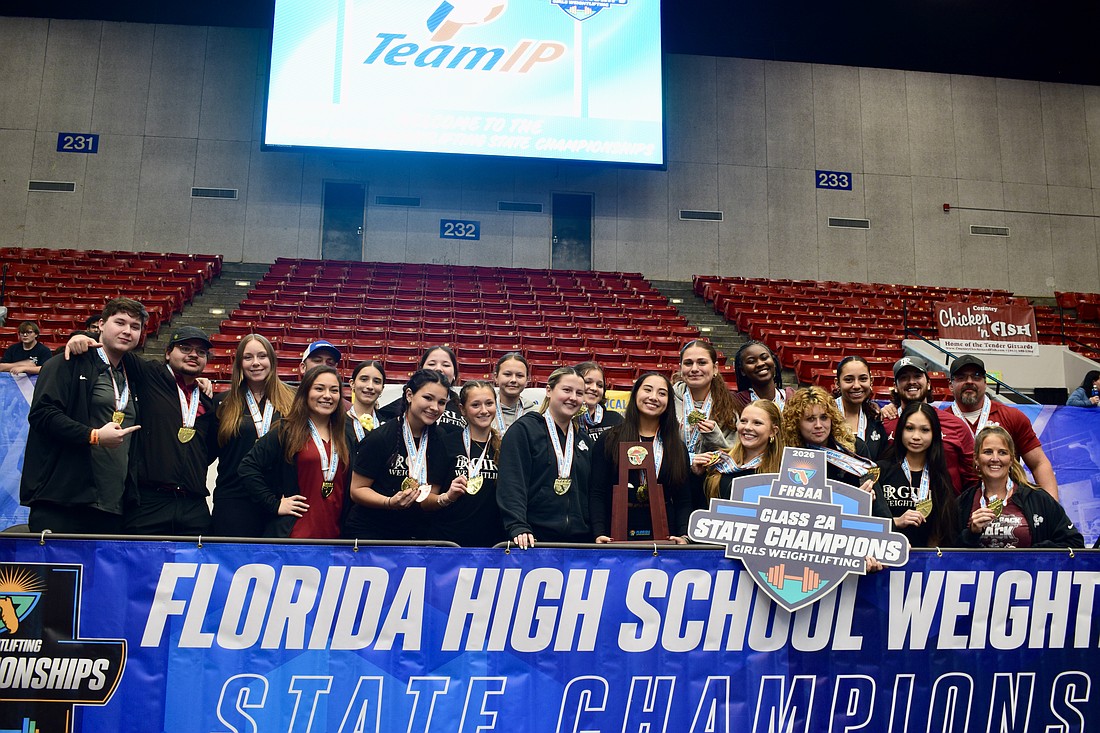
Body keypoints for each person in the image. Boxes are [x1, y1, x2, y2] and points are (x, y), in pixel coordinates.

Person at [68, 324, 219, 535]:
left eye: (201, 352)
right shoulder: (150, 374)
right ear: (168, 353)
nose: (193, 355)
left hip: (193, 504)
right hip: (148, 502)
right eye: (185, 348)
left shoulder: (206, 399)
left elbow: (208, 450)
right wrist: (85, 337)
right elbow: (115, 348)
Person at [20, 299, 146, 533]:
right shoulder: (67, 362)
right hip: (62, 504)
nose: (127, 331)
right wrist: (93, 435)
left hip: (113, 505)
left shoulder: (134, 373)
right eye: (120, 322)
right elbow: (42, 414)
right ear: (101, 324)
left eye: (135, 326)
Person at [237, 366, 348, 538]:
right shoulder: (287, 430)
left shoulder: (345, 435)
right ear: (305, 393)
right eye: (319, 389)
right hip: (295, 536)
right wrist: (274, 504)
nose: (327, 395)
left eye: (334, 390)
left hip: (336, 537)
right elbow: (247, 467)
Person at [345, 369, 453, 541]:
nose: (435, 407)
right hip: (371, 532)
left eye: (441, 402)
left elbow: (427, 500)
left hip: (413, 533)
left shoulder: (440, 440)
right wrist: (389, 502)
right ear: (409, 395)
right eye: (428, 398)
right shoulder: (380, 437)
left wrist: (445, 498)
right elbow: (357, 490)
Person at [589, 373, 695, 542]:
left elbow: (683, 500)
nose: (653, 397)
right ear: (635, 394)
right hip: (614, 535)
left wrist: (684, 535)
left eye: (662, 393)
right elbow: (597, 492)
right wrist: (598, 532)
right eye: (647, 390)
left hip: (665, 536)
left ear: (669, 402)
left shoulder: (677, 447)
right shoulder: (609, 439)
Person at [497, 366, 594, 548]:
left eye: (579, 393)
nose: (573, 397)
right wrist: (518, 525)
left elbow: (592, 492)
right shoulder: (524, 430)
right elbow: (512, 483)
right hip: (533, 540)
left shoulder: (584, 440)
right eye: (567, 390)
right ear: (549, 391)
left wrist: (597, 531)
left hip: (579, 542)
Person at [211, 334, 295, 536]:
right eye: (248, 357)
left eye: (262, 356)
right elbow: (206, 451)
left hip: (279, 501)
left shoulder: (293, 400)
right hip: (234, 501)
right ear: (239, 363)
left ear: (272, 360)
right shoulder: (222, 403)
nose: (255, 363)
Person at [946, 354, 1059, 500]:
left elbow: (1039, 463)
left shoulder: (1012, 417)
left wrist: (1053, 507)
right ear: (950, 385)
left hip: (1008, 505)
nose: (969, 381)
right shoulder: (940, 421)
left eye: (976, 376)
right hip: (956, 505)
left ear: (985, 383)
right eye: (961, 377)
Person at [958, 426, 1083, 548]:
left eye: (1002, 452)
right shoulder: (963, 503)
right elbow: (948, 550)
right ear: (976, 459)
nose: (995, 458)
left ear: (1011, 459)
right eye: (988, 452)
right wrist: (971, 534)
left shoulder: (1038, 499)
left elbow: (1074, 543)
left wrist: (1027, 555)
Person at [882, 356, 975, 494]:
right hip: (896, 504)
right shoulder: (885, 423)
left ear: (929, 383)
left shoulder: (956, 425)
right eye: (904, 377)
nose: (911, 381)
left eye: (917, 376)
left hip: (946, 504)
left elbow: (972, 475)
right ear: (895, 387)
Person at [874, 403, 958, 548]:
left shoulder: (940, 477)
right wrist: (897, 521)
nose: (916, 436)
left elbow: (941, 530)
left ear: (934, 434)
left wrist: (927, 557)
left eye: (925, 430)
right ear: (900, 430)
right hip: (884, 555)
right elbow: (866, 522)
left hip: (923, 559)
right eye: (909, 428)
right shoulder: (880, 470)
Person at [436, 380, 507, 547]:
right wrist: (447, 497)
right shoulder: (445, 443)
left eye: (489, 403)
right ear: (462, 409)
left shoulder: (506, 447)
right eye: (475, 405)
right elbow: (427, 500)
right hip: (449, 541)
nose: (484, 410)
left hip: (493, 544)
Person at [780, 386, 876, 486]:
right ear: (796, 423)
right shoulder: (786, 455)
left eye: (824, 417)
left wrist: (864, 494)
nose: (818, 425)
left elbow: (875, 492)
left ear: (832, 419)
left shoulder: (855, 448)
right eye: (810, 419)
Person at [694, 400, 785, 501]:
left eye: (757, 423)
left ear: (773, 431)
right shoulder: (721, 462)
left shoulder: (782, 473)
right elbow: (701, 503)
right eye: (743, 421)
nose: (747, 427)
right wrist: (698, 476)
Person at [672, 340, 739, 454]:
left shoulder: (728, 407)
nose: (694, 369)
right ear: (681, 368)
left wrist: (715, 438)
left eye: (702, 363)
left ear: (715, 368)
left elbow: (735, 454)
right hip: (672, 465)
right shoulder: (666, 400)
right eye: (688, 363)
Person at [378, 345, 465, 431]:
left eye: (446, 365)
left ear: (454, 374)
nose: (438, 369)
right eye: (431, 364)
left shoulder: (463, 406)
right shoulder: (404, 403)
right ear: (421, 370)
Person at [834, 356, 887, 459]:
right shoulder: (823, 416)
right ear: (837, 383)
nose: (857, 386)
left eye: (863, 379)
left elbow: (884, 460)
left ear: (871, 381)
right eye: (849, 380)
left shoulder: (876, 418)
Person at [732, 340, 794, 412]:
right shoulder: (737, 403)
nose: (760, 364)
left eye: (764, 358)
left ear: (774, 362)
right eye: (751, 361)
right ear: (742, 370)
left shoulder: (793, 398)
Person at [574, 361, 624, 440]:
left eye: (600, 385)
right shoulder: (565, 420)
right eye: (588, 382)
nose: (594, 388)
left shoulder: (616, 420)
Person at [346, 359, 386, 453]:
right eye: (364, 379)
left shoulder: (387, 425)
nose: (370, 386)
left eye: (376, 381)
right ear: (352, 384)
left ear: (382, 388)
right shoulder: (337, 423)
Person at [493, 352, 537, 433]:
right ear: (496, 377)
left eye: (519, 376)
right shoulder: (484, 410)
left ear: (527, 380)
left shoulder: (535, 413)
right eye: (507, 374)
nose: (513, 380)